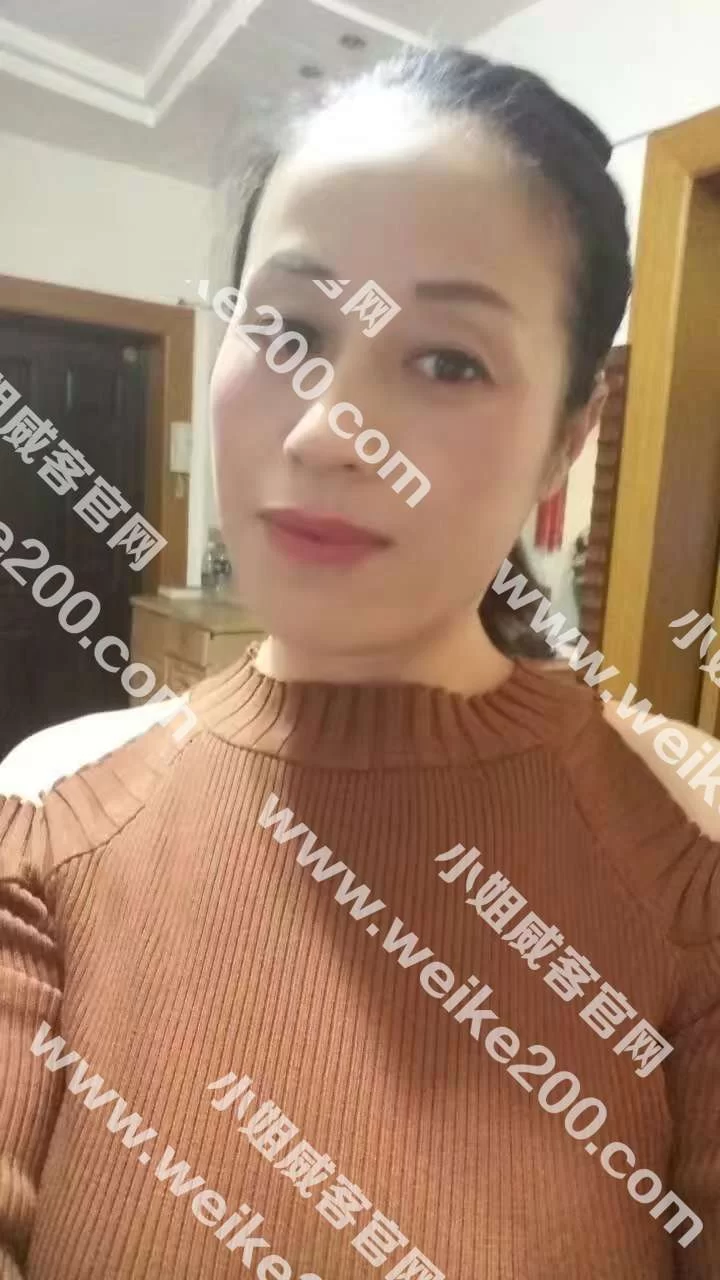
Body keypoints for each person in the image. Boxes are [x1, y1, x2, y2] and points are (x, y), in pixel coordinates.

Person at [0, 46, 717, 1280]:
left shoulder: (691, 849)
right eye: (287, 329)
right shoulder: (47, 811)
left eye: (448, 360)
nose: (332, 432)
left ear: (569, 434)